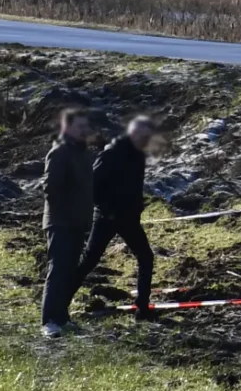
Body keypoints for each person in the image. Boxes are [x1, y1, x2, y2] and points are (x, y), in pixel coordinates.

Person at [80, 115, 160, 318]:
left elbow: (135, 186)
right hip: (107, 218)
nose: (147, 140)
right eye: (145, 136)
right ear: (134, 133)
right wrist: (109, 210)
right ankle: (60, 302)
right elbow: (93, 186)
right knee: (89, 261)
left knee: (146, 257)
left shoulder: (138, 155)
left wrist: (138, 206)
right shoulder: (111, 153)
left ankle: (142, 307)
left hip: (129, 219)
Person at [40, 108, 96, 338]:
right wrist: (67, 208)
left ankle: (62, 317)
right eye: (78, 127)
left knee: (69, 271)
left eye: (85, 127)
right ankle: (49, 321)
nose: (83, 131)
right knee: (58, 270)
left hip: (78, 223)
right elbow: (50, 188)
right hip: (60, 222)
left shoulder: (85, 155)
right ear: (67, 128)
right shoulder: (59, 153)